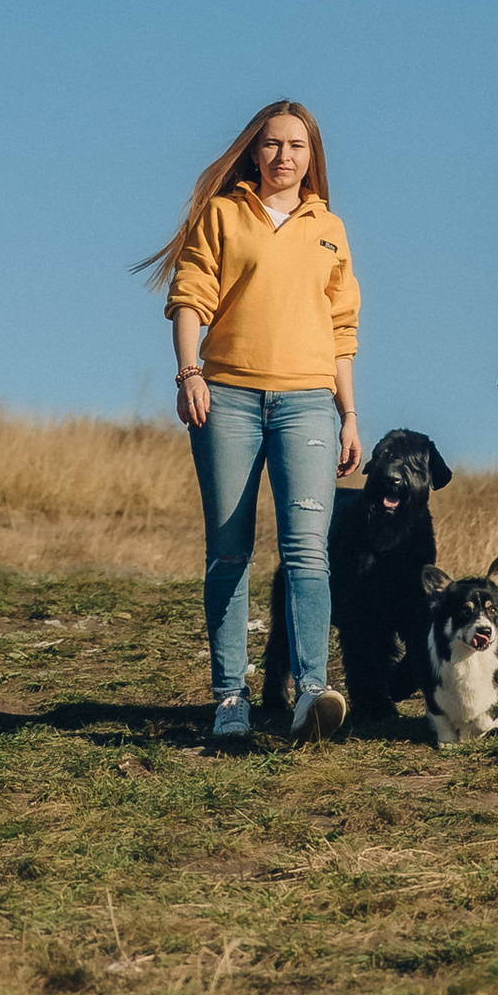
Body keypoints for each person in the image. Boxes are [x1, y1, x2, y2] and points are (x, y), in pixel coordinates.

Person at [142, 100, 363, 744]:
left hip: (309, 402)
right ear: (254, 151)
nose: (283, 156)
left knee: (308, 551)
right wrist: (190, 373)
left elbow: (342, 329)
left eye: (297, 146)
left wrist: (349, 415)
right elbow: (190, 297)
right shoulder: (222, 214)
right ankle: (230, 699)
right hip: (228, 399)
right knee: (229, 551)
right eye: (272, 144)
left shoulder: (330, 228)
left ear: (312, 156)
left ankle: (311, 693)